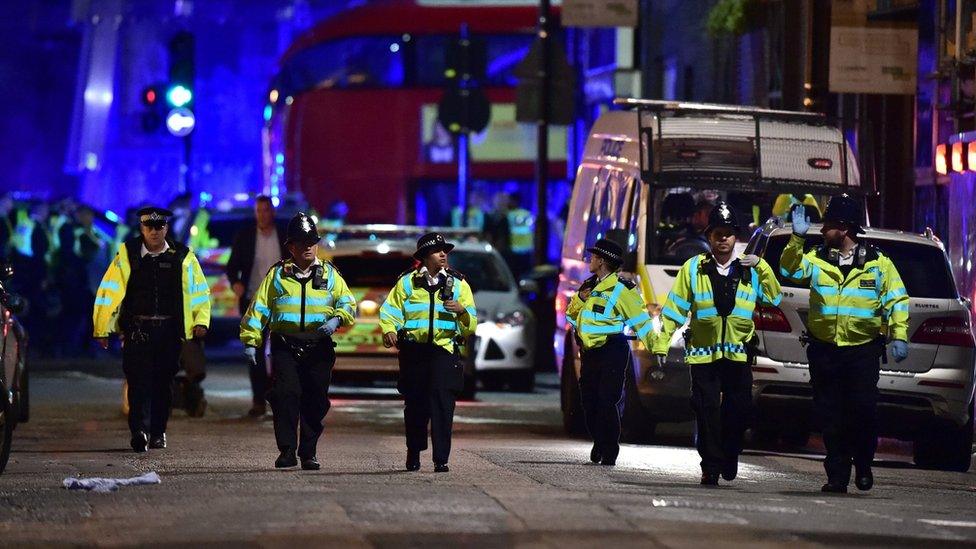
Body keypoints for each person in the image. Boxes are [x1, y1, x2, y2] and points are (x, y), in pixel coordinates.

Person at [784, 195, 909, 493]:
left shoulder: (878, 263)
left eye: (828, 224)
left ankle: (863, 463)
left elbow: (897, 300)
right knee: (831, 416)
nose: (822, 229)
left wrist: (899, 335)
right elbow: (790, 270)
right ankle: (837, 475)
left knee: (863, 411)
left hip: (862, 351)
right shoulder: (817, 258)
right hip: (825, 350)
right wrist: (796, 239)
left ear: (844, 227)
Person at [653, 202, 782, 485]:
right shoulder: (694, 268)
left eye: (728, 233)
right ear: (709, 237)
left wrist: (762, 265)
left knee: (740, 411)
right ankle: (710, 466)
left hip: (737, 355)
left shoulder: (751, 270)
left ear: (736, 237)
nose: (723, 239)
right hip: (703, 355)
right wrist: (661, 343)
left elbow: (774, 298)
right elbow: (674, 310)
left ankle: (731, 452)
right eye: (717, 234)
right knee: (707, 411)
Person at [239, 213, 356, 470]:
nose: (308, 247)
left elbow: (347, 302)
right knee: (286, 395)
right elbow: (259, 308)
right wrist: (251, 341)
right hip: (286, 345)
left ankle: (308, 452)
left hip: (319, 347)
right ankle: (287, 450)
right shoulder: (278, 275)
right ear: (290, 246)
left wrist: (337, 319)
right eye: (302, 242)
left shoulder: (330, 274)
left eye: (312, 242)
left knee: (315, 399)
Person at [92, 206, 211, 452]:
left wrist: (200, 321)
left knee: (163, 384)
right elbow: (109, 292)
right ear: (142, 228)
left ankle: (158, 431)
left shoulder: (182, 256)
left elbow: (199, 291)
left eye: (159, 227)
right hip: (138, 330)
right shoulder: (128, 254)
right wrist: (102, 327)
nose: (154, 232)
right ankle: (139, 431)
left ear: (166, 228)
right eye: (149, 227)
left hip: (169, 331)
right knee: (138, 383)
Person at [379, 232, 477, 473]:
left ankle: (441, 459)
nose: (443, 254)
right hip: (414, 352)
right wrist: (389, 329)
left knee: (444, 406)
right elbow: (390, 310)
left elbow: (472, 324)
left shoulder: (459, 284)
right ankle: (414, 451)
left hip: (444, 351)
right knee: (415, 406)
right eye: (437, 251)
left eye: (445, 250)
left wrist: (462, 311)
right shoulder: (407, 282)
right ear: (423, 256)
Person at [564, 237, 655, 466]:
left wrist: (657, 346)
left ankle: (609, 449)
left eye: (593, 257)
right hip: (589, 352)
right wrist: (579, 299)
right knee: (589, 402)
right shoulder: (588, 286)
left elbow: (641, 321)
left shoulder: (622, 290)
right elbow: (571, 315)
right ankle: (599, 440)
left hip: (612, 349)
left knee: (607, 400)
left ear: (602, 261)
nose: (589, 260)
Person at [225, 195, 287, 417]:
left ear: (273, 213)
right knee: (255, 353)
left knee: (282, 353)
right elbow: (231, 267)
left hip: (282, 304)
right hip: (254, 301)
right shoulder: (245, 236)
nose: (262, 215)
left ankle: (279, 398)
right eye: (258, 211)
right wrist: (236, 284)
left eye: (266, 210)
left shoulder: (284, 236)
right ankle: (258, 400)